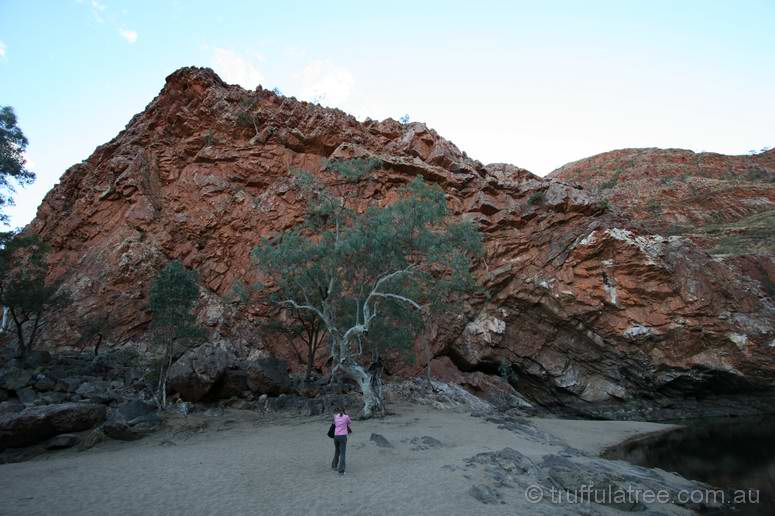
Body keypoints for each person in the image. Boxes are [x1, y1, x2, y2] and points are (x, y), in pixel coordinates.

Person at [331, 405, 352, 475]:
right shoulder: (346, 417)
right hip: (343, 436)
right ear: (344, 411)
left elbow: (334, 423)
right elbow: (349, 422)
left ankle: (334, 466)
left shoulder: (335, 416)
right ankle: (341, 470)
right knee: (343, 453)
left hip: (336, 436)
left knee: (337, 451)